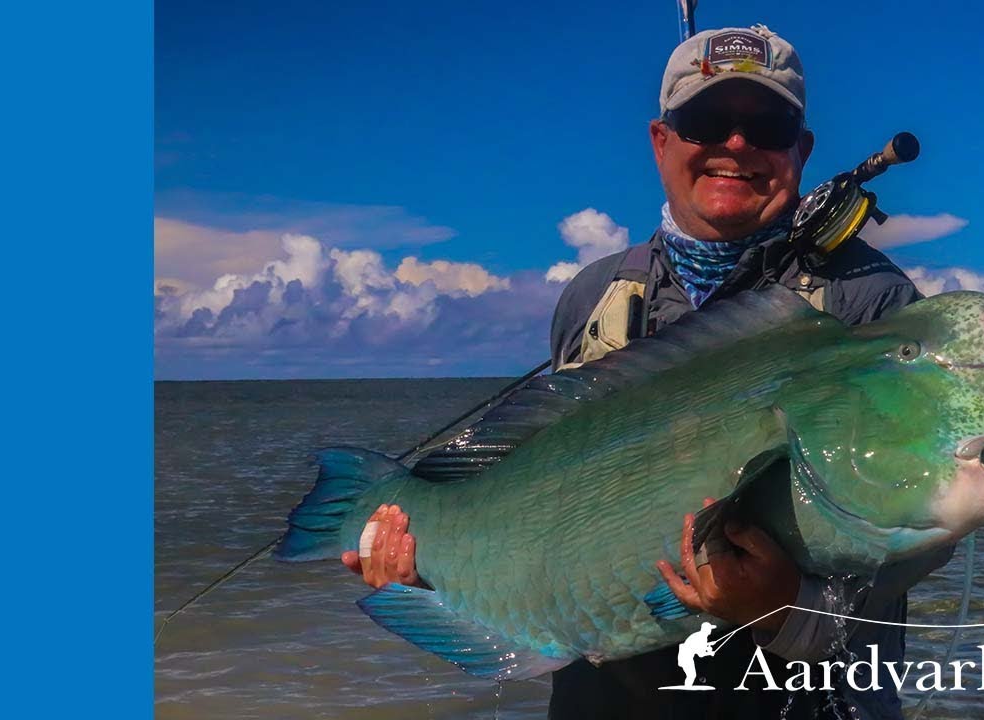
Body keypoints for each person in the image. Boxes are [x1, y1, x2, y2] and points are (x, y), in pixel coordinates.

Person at [343, 25, 952, 720]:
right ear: (662, 141)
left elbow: (910, 528)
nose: (735, 145)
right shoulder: (594, 295)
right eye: (705, 121)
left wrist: (788, 609)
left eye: (768, 125)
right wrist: (428, 576)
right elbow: (536, 488)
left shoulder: (870, 305)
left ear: (801, 150)